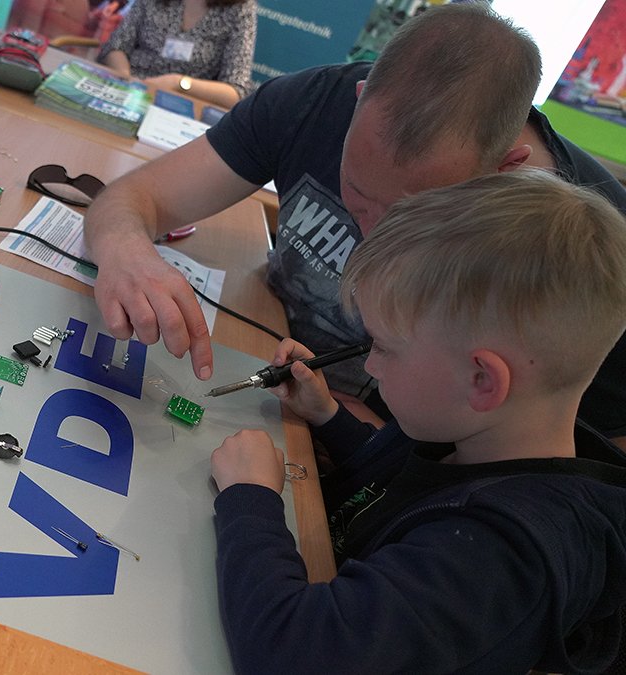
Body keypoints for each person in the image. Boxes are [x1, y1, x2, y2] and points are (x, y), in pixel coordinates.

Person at [82, 3, 626, 444]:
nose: (373, 238)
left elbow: (563, 472)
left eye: (410, 217)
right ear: (359, 100)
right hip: (272, 385)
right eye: (361, 198)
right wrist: (128, 253)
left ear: (508, 167)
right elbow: (132, 198)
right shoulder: (312, 101)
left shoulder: (586, 254)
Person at [210, 170, 626, 672]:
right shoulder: (473, 435)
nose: (369, 366)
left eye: (383, 347)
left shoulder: (503, 560)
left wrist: (250, 500)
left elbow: (293, 654)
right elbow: (404, 490)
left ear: (482, 381)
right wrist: (330, 418)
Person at [98, 0, 256, 109]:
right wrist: (127, 80)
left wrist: (178, 83)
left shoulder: (241, 8)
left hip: (182, 105)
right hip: (130, 91)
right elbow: (116, 46)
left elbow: (236, 92)